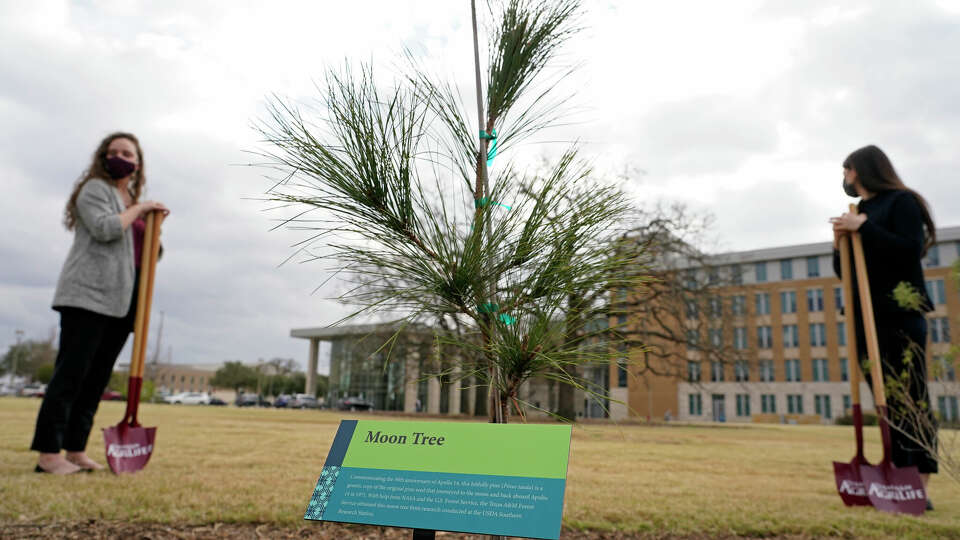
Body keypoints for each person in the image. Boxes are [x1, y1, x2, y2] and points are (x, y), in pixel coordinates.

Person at [31, 132, 169, 474]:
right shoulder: (96, 190)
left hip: (123, 300)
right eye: (114, 151)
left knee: (95, 379)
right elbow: (106, 229)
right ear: (103, 157)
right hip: (87, 295)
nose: (120, 157)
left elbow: (152, 254)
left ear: (137, 164)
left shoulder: (132, 199)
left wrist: (154, 226)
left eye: (128, 153)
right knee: (71, 374)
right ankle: (49, 454)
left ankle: (75, 449)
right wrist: (139, 209)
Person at [829, 144, 938, 509]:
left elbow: (910, 250)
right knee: (884, 398)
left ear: (860, 170)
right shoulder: (861, 211)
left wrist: (865, 228)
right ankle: (893, 472)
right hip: (865, 315)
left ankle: (917, 483)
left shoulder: (901, 202)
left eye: (847, 170)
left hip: (900, 313)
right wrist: (839, 242)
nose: (844, 178)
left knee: (909, 396)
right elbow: (845, 272)